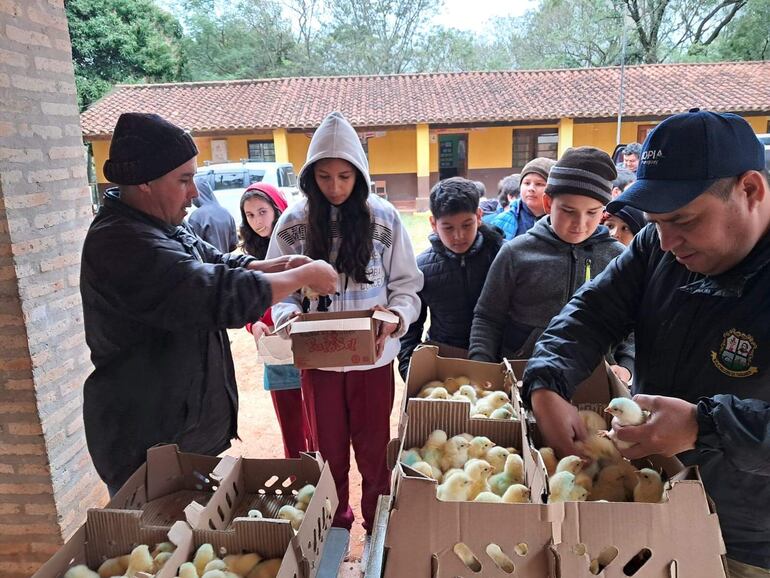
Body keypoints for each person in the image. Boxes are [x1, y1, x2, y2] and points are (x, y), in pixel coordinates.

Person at [521, 109, 770, 576]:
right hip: (649, 505)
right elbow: (591, 312)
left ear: (750, 190)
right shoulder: (657, 245)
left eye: (683, 220)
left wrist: (706, 426)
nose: (668, 240)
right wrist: (547, 379)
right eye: (656, 221)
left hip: (746, 540)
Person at [80, 112, 337, 494]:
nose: (194, 193)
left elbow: (216, 261)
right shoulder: (123, 244)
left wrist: (276, 263)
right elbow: (213, 292)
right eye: (184, 180)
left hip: (185, 431)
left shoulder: (162, 226)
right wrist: (301, 278)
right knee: (165, 546)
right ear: (144, 183)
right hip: (148, 442)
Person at [266, 112, 423, 547]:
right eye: (324, 176)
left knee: (374, 454)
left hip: (372, 360)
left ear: (359, 175)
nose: (334, 187)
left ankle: (378, 532)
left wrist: (395, 317)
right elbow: (280, 290)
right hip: (318, 363)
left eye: (344, 176)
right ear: (310, 176)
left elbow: (407, 286)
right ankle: (333, 533)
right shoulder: (294, 223)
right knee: (327, 454)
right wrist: (287, 317)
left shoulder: (385, 220)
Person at [470, 147, 634, 384]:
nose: (580, 223)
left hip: (594, 380)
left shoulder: (618, 258)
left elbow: (632, 324)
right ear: (548, 203)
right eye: (568, 211)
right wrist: (482, 368)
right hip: (519, 377)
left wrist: (627, 365)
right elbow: (487, 317)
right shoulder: (516, 253)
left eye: (592, 213)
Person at [397, 177, 504, 379]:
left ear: (479, 216)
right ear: (433, 223)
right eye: (448, 227)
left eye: (466, 225)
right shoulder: (421, 268)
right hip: (444, 361)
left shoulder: (502, 257)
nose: (458, 236)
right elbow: (410, 328)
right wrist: (410, 370)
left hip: (495, 360)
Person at [239, 182, 312, 459]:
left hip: (306, 346)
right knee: (291, 427)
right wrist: (253, 324)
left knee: (318, 423)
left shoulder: (298, 248)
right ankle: (299, 483)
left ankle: (324, 485)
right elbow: (248, 308)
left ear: (278, 209)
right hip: (276, 353)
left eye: (262, 211)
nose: (258, 221)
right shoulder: (246, 260)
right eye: (250, 215)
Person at [490, 159, 555, 239]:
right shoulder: (501, 221)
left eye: (539, 184)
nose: (531, 189)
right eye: (527, 183)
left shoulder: (563, 222)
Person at [187, 173, 237, 253]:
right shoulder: (226, 213)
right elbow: (233, 245)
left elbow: (192, 246)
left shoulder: (196, 216)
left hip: (206, 264)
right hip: (226, 263)